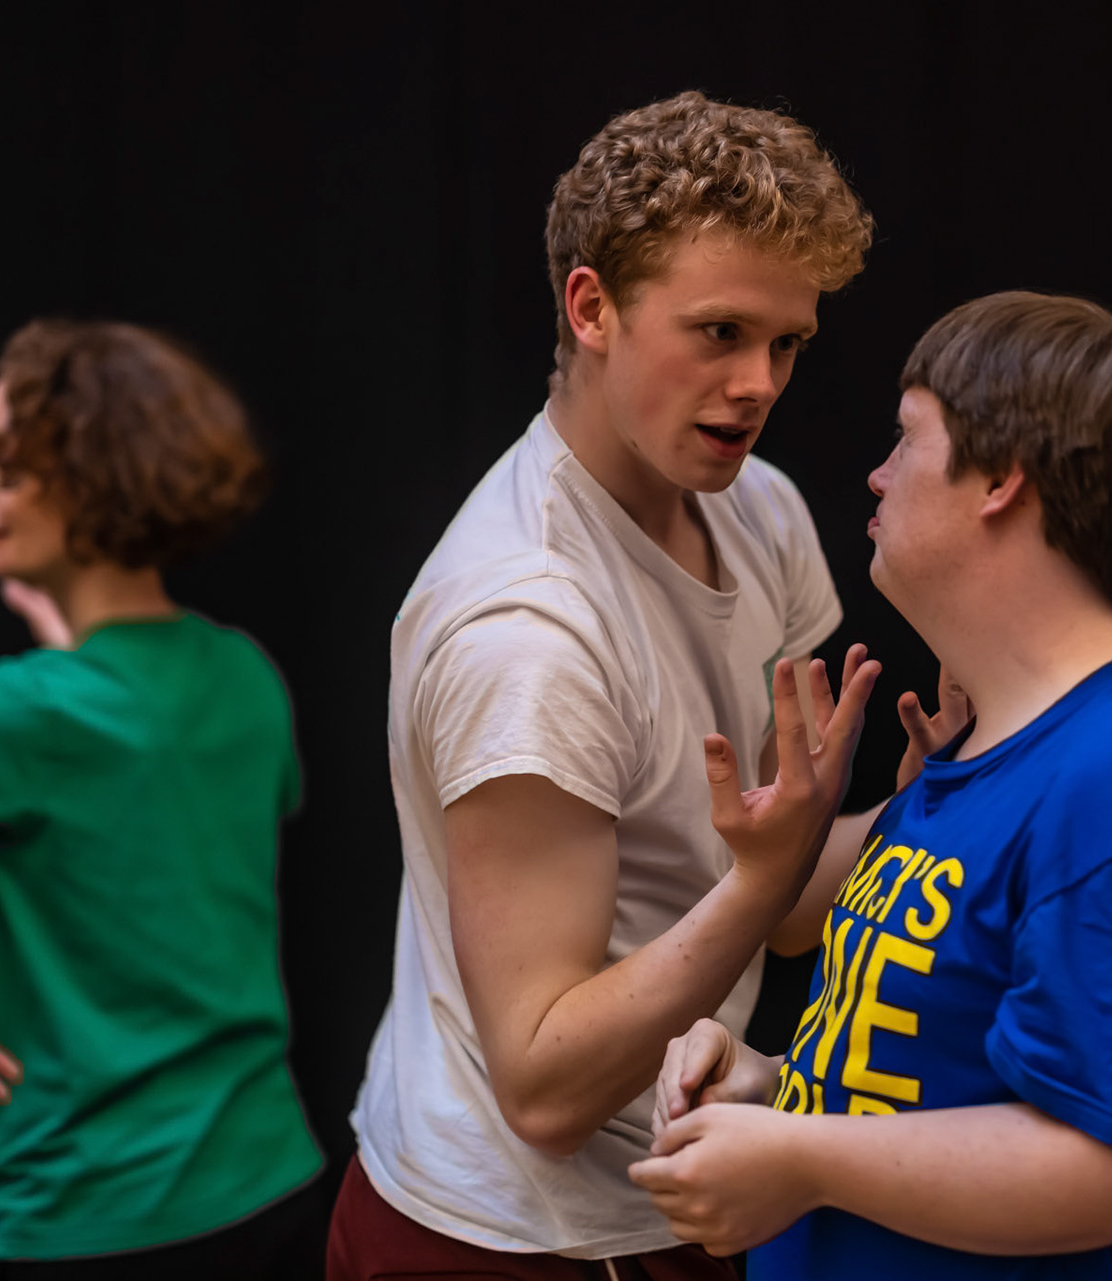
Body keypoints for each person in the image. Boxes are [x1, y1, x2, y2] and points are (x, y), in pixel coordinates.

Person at [630, 292, 1112, 1279]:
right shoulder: (994, 744)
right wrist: (778, 1092)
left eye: (906, 437)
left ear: (1002, 480)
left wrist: (801, 1155)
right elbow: (950, 1090)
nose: (877, 473)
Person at [326, 92, 883, 1279]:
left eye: (787, 343)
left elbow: (780, 903)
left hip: (678, 1195)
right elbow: (543, 1087)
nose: (759, 382)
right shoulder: (527, 630)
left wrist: (949, 806)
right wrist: (767, 876)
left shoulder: (764, 512)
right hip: (504, 1241)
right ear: (591, 309)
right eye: (720, 331)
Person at [0, 321, 323, 1277]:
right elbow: (137, 780)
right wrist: (71, 660)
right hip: (271, 1193)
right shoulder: (245, 676)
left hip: (94, 1227)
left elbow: (80, 738)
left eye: (4, 466)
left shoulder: (14, 717)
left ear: (90, 483)